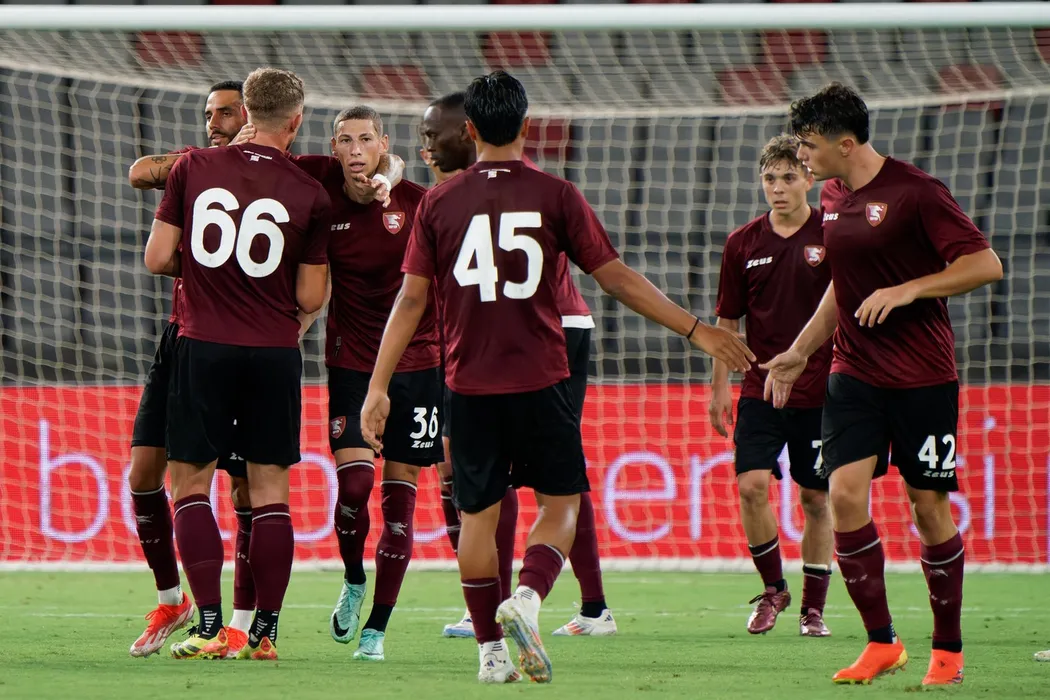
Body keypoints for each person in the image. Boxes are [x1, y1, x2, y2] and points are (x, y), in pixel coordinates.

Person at [361, 70, 753, 684]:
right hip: (542, 377)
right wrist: (697, 330)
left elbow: (410, 300)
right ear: (527, 125)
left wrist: (377, 385)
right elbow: (615, 277)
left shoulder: (438, 202)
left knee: (478, 517)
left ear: (470, 130)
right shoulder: (556, 194)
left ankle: (490, 655)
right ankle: (529, 597)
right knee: (562, 504)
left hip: (467, 383)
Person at [762, 83, 1002, 686]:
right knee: (843, 496)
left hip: (922, 376)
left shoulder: (917, 192)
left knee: (928, 507)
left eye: (810, 146)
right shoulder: (833, 196)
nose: (803, 157)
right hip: (853, 373)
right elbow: (842, 286)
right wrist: (798, 353)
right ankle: (882, 643)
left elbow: (985, 264)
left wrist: (909, 289)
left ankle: (947, 651)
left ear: (846, 144)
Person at [144, 67, 332, 661]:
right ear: (295, 122)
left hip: (203, 344)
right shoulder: (310, 192)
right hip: (273, 352)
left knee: (191, 485)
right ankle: (264, 634)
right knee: (270, 493)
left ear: (245, 112)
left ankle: (207, 625)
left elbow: (157, 257)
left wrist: (208, 273)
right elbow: (311, 297)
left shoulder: (194, 168)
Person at [422, 91, 618, 640]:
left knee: (532, 479)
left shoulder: (470, 196)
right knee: (528, 479)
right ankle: (530, 603)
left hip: (544, 335)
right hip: (490, 343)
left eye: (434, 135)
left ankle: (534, 607)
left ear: (467, 132)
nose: (427, 147)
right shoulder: (470, 193)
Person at [292, 106, 438, 663]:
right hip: (353, 365)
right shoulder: (321, 189)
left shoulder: (418, 204)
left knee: (400, 505)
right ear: (333, 147)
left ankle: (376, 628)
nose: (356, 150)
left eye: (366, 139)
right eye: (345, 140)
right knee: (354, 488)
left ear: (384, 143)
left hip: (418, 366)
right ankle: (354, 578)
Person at [125, 79, 256, 659]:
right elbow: (138, 171)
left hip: (242, 343)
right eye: (208, 113)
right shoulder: (196, 167)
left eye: (225, 112)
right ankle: (172, 599)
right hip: (180, 338)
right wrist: (201, 160)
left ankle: (242, 624)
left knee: (244, 490)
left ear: (252, 115)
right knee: (142, 475)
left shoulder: (279, 175)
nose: (212, 121)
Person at [711, 134, 834, 638]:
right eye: (769, 179)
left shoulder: (831, 234)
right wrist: (719, 387)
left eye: (788, 177)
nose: (778, 188)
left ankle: (813, 609)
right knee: (751, 487)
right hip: (759, 388)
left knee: (816, 499)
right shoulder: (742, 243)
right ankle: (773, 590)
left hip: (820, 391)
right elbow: (727, 322)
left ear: (809, 178)